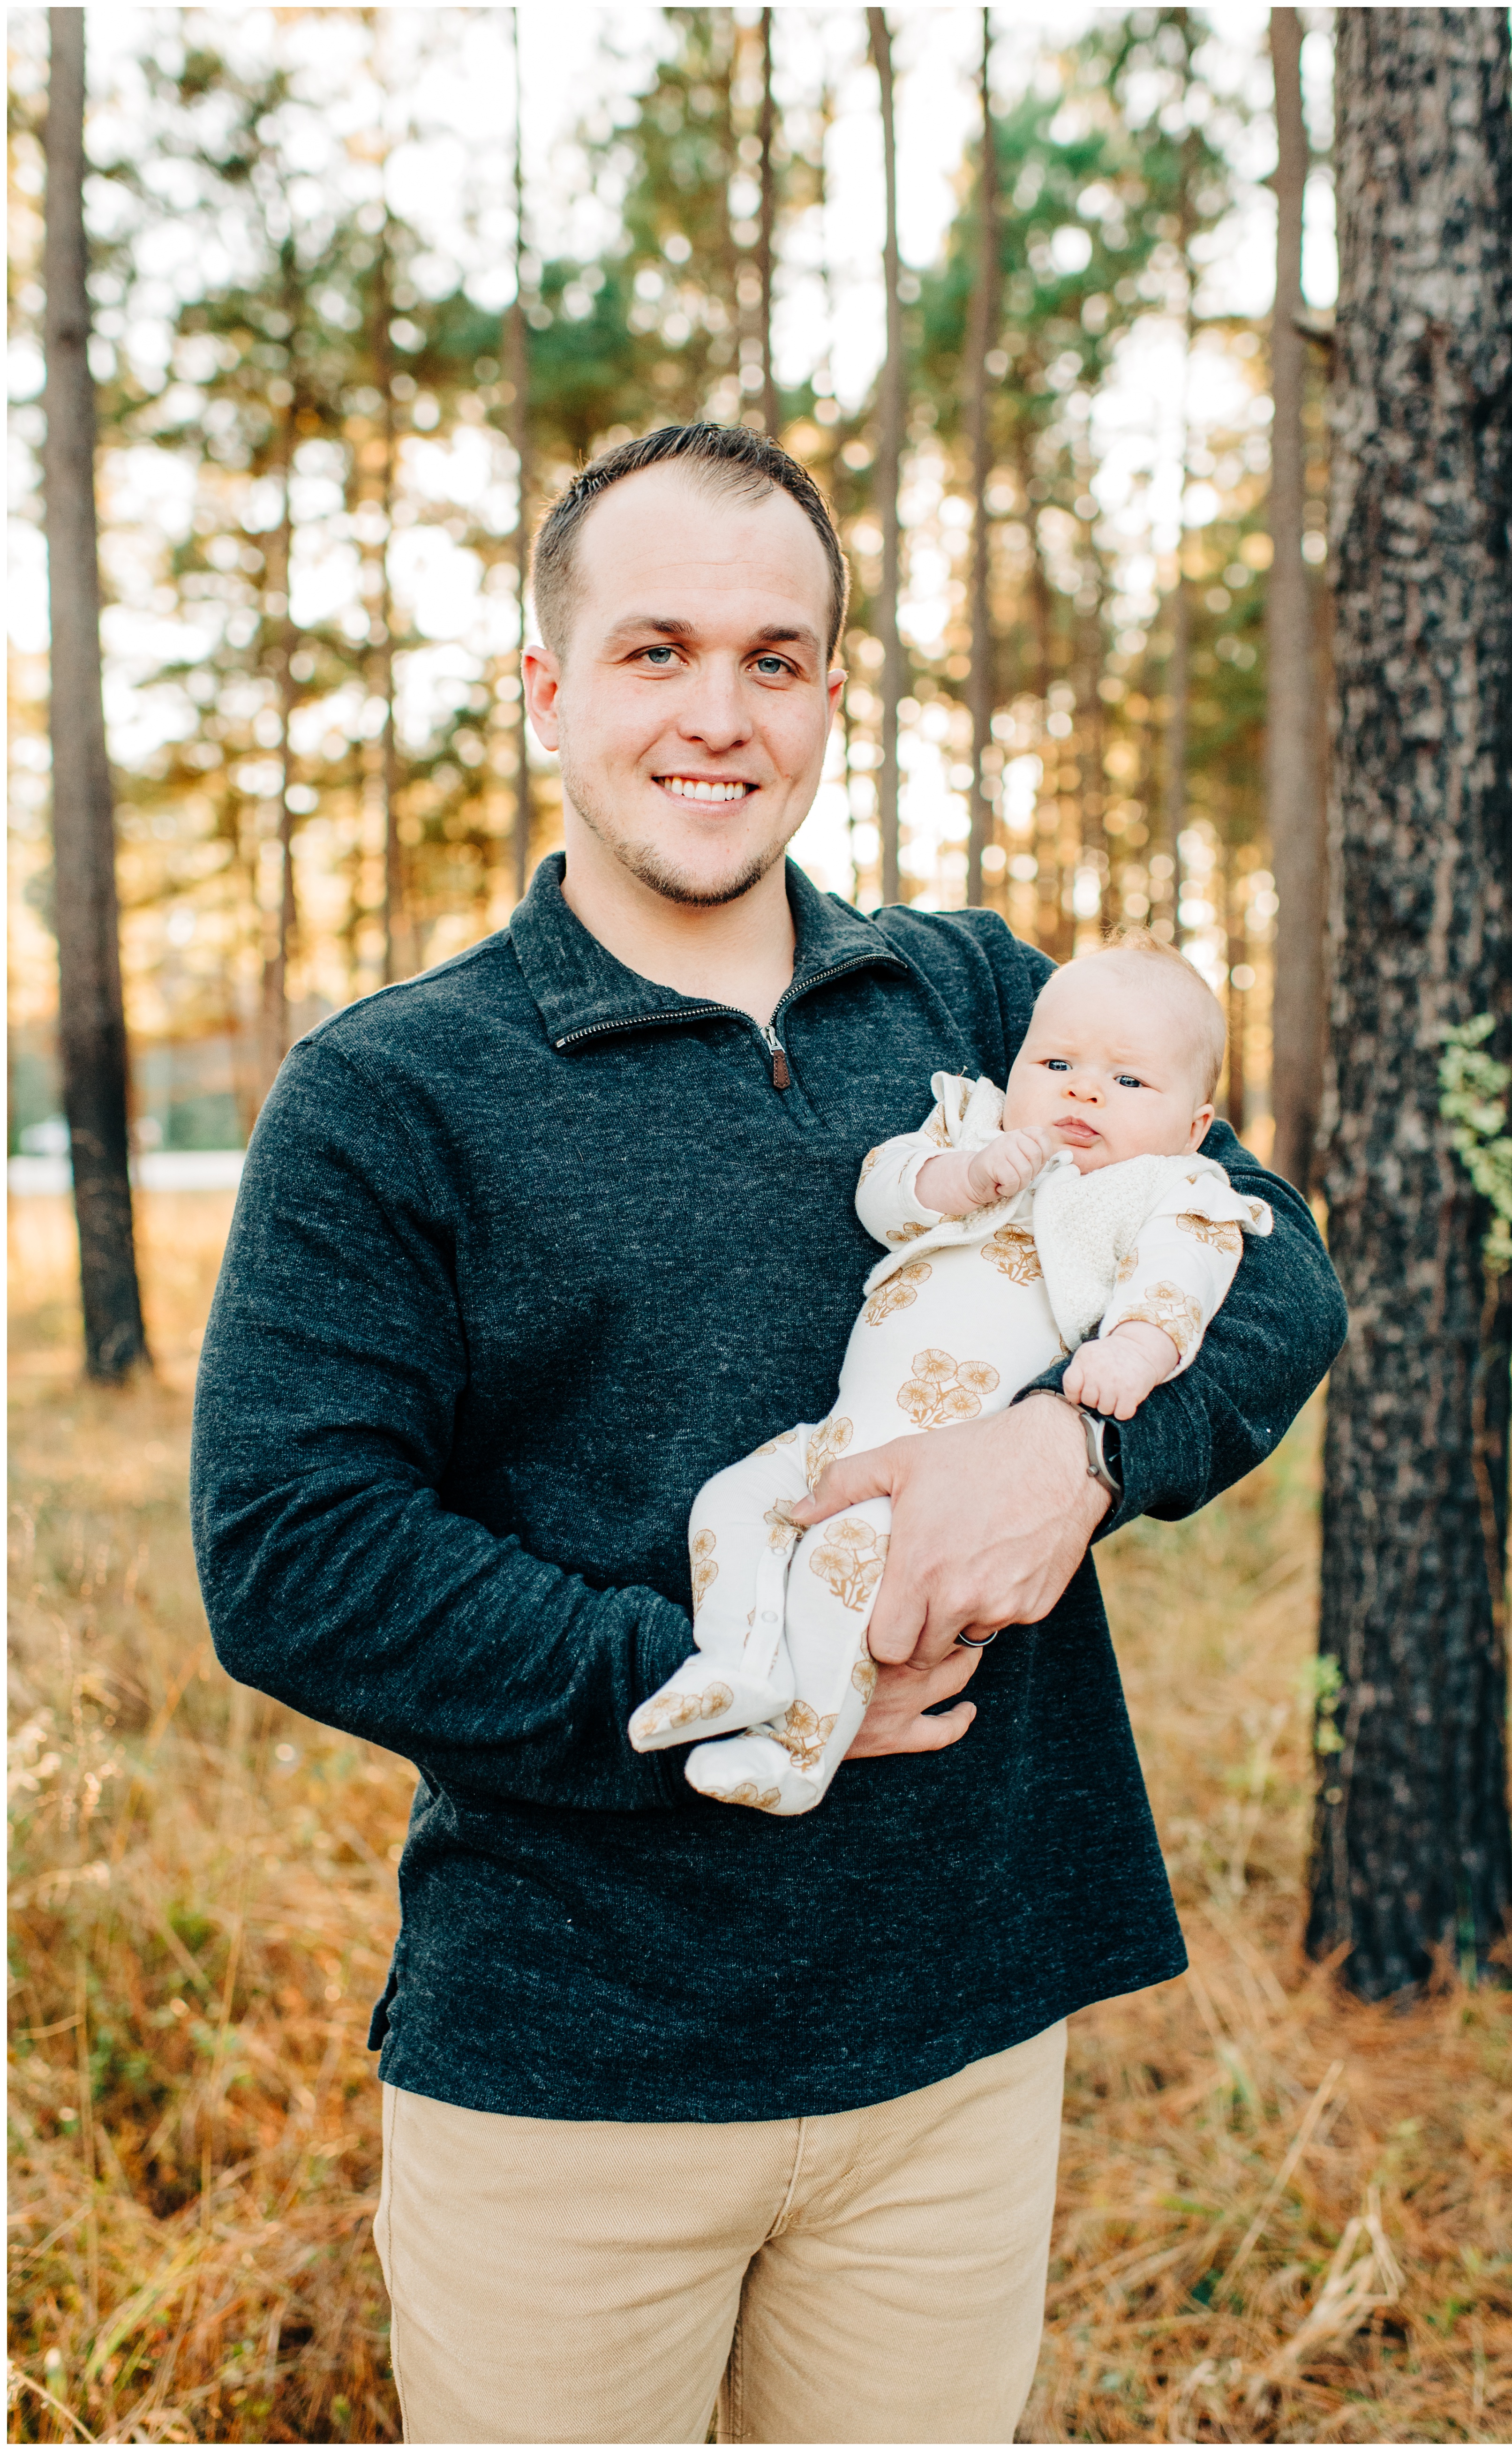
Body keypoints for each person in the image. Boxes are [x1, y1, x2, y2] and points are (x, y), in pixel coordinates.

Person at [192, 421, 1347, 2446]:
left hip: (958, 2036)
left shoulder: (978, 997)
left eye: (773, 656)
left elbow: (1269, 1259)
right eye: (651, 651)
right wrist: (729, 1677)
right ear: (545, 688)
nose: (715, 714)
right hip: (573, 2070)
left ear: (830, 690)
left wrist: (1074, 1459)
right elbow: (291, 1549)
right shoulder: (393, 1089)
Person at [632, 939, 1274, 1817]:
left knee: (840, 1574)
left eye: (1129, 1083)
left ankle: (795, 1758)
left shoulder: (1168, 1190)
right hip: (838, 1438)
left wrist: (1132, 1352)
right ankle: (737, 1663)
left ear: (1196, 1126)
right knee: (733, 1504)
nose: (1085, 1090)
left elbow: (1183, 1284)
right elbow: (882, 1192)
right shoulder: (976, 1129)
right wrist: (963, 1176)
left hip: (932, 1482)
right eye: (1057, 1064)